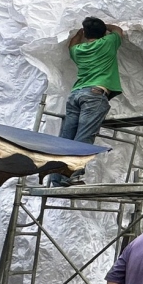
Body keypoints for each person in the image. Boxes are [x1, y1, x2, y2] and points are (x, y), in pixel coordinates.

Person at [49, 16, 124, 187]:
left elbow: (72, 44)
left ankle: (56, 178)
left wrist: (80, 32)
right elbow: (119, 30)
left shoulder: (78, 50)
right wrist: (107, 27)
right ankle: (72, 175)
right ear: (104, 32)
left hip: (76, 94)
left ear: (85, 33)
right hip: (94, 95)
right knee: (84, 136)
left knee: (66, 138)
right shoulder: (109, 42)